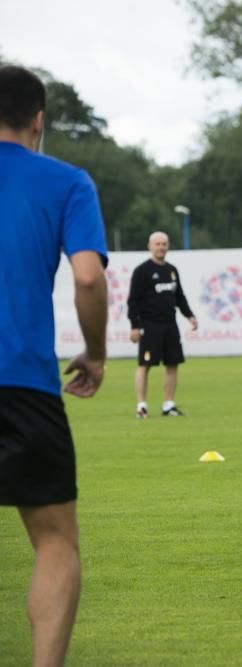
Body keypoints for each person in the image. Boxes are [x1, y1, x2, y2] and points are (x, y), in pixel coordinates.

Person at [0, 65, 108, 667]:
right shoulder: (66, 182)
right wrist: (94, 353)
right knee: (53, 541)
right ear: (39, 118)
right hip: (23, 384)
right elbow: (88, 276)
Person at [127, 231, 198, 418]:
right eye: (157, 244)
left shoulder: (171, 270)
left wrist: (189, 315)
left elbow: (179, 297)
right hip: (149, 325)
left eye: (164, 243)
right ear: (149, 246)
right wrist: (134, 325)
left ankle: (168, 405)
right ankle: (141, 406)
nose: (161, 247)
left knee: (173, 363)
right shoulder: (142, 271)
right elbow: (133, 300)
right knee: (145, 364)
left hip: (170, 324)